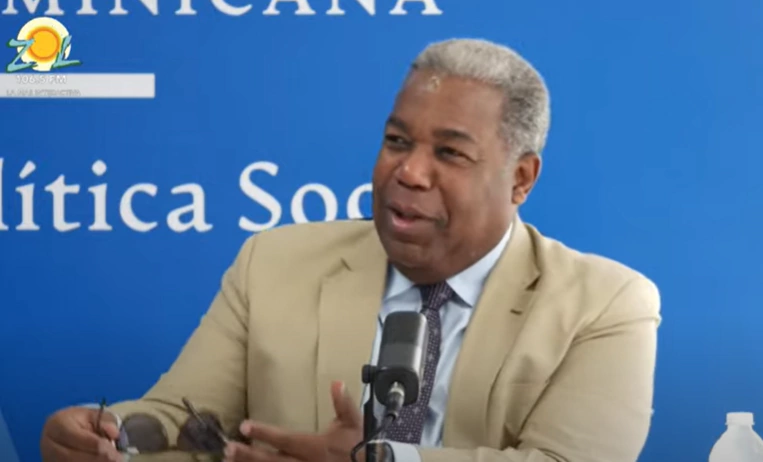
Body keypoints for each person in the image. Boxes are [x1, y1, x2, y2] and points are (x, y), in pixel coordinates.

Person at [39, 38, 661, 462]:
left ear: (521, 178)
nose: (408, 171)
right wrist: (111, 435)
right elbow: (186, 422)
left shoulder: (604, 304)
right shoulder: (274, 264)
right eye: (397, 141)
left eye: (449, 153)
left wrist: (381, 459)